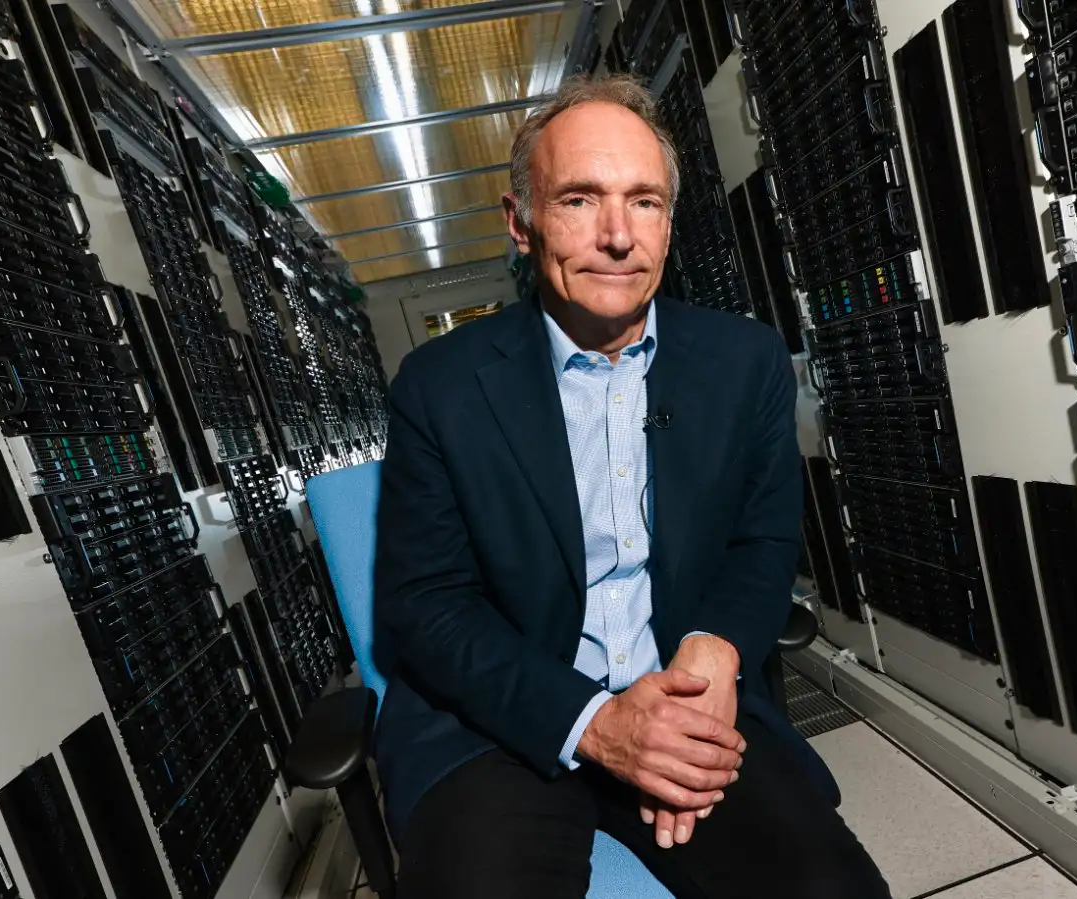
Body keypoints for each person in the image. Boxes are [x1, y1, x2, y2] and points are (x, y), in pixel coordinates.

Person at [372, 72, 891, 898]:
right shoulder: (441, 384)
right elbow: (425, 604)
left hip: (684, 701)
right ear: (522, 221)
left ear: (669, 221)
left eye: (644, 201)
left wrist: (715, 650)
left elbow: (762, 544)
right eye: (580, 199)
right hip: (506, 723)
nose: (619, 234)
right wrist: (599, 724)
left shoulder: (744, 361)